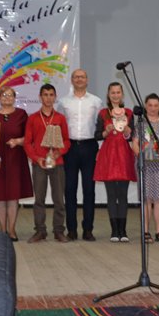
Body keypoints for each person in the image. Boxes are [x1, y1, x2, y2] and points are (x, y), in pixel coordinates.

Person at [57, 69, 102, 241]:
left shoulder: (96, 101)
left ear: (87, 80)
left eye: (82, 77)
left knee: (89, 190)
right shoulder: (63, 102)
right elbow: (59, 126)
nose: (79, 79)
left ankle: (88, 229)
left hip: (90, 147)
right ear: (72, 80)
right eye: (76, 77)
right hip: (70, 148)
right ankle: (72, 229)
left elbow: (100, 126)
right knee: (69, 189)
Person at [25, 84, 71, 243]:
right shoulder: (32, 118)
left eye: (51, 95)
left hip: (57, 163)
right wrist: (36, 158)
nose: (48, 98)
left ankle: (59, 231)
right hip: (39, 164)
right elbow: (27, 143)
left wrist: (59, 152)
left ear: (55, 97)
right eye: (45, 94)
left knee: (59, 199)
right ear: (40, 97)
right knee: (39, 199)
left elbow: (66, 140)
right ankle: (40, 231)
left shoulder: (60, 118)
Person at [0, 86, 33, 241]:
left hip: (16, 159)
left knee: (13, 196)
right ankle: (2, 230)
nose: (7, 97)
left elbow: (30, 136)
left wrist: (18, 141)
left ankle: (12, 230)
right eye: (4, 95)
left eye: (10, 95)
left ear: (14, 98)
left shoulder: (21, 114)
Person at [93, 82, 137, 242]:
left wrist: (128, 132)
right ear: (108, 94)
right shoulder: (103, 113)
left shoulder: (129, 113)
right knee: (111, 194)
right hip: (109, 156)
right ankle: (114, 231)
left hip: (124, 155)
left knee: (123, 195)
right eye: (113, 92)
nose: (116, 95)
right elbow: (97, 135)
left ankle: (123, 231)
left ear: (122, 94)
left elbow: (132, 137)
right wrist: (106, 131)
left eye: (118, 92)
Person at [132, 93, 159, 244]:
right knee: (146, 199)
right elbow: (135, 143)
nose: (153, 108)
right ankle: (145, 231)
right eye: (150, 105)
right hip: (145, 166)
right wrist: (140, 156)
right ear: (145, 106)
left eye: (156, 105)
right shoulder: (141, 124)